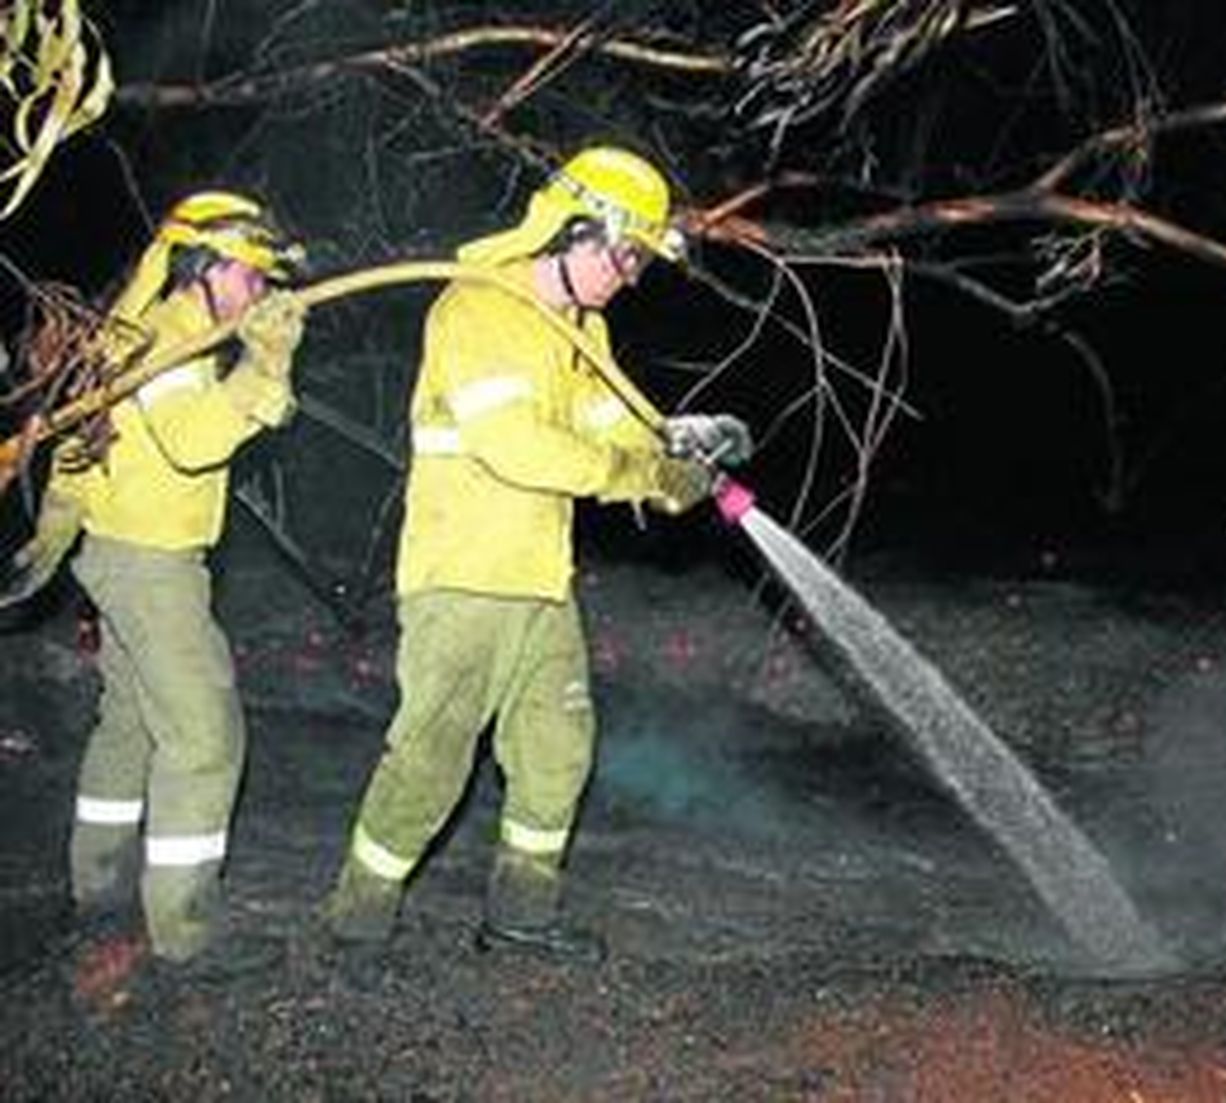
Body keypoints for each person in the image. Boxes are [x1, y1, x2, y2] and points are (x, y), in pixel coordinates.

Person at [320, 145, 752, 965]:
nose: (629, 277)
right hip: (464, 578)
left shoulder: (578, 329)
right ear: (579, 230)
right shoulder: (477, 311)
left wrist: (678, 450)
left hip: (538, 581)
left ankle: (520, 915)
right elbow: (517, 445)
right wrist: (634, 470)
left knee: (558, 750)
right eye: (626, 255)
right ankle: (358, 923)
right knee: (432, 759)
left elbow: (612, 423)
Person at [0, 191, 309, 977]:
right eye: (251, 275)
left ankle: (97, 884)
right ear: (202, 267)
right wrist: (265, 365)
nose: (260, 293)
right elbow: (194, 440)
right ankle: (186, 929)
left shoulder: (141, 330)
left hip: (117, 554)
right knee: (204, 737)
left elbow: (82, 445)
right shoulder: (169, 338)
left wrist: (56, 532)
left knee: (131, 722)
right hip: (149, 566)